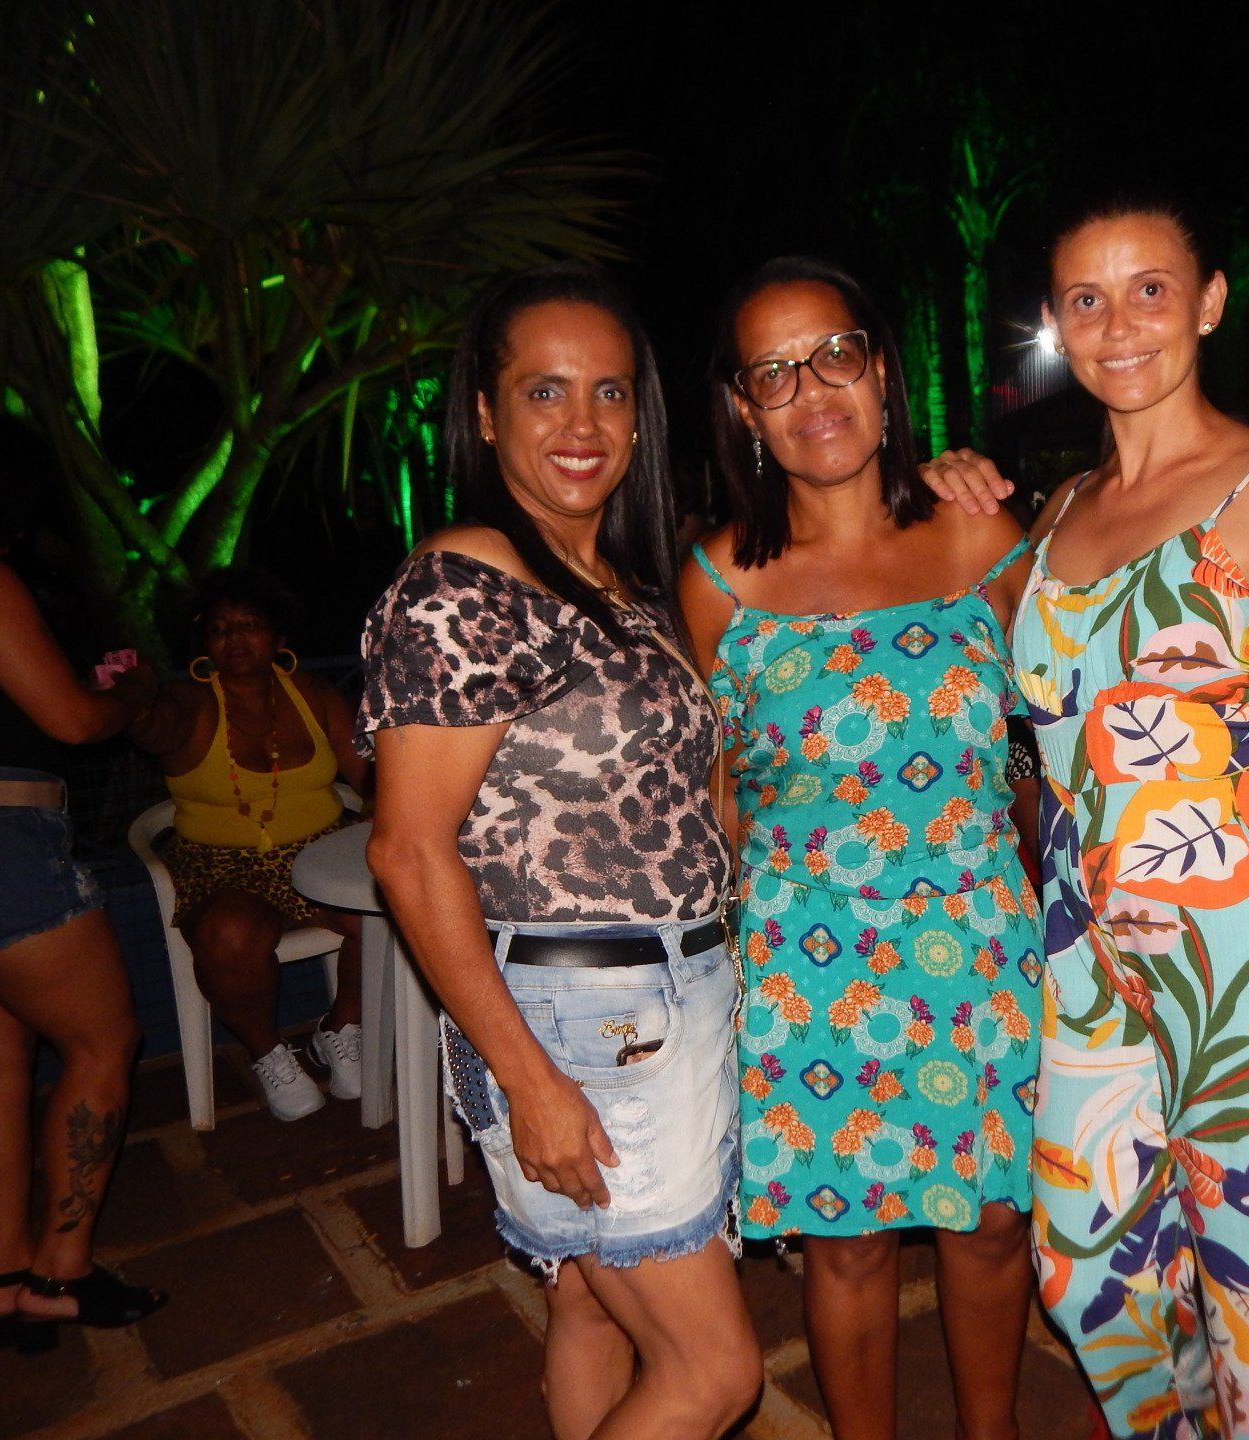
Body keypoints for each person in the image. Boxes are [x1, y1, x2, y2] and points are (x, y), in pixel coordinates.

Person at [930, 197, 1249, 1438]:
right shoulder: (1058, 515)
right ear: (1055, 323)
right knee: (1084, 1275)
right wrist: (944, 489)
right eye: (1087, 298)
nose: (1119, 323)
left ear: (1209, 302)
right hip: (1092, 966)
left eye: (1150, 289)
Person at [360, 265, 761, 1439]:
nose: (583, 424)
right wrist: (532, 1082)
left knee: (590, 1303)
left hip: (664, 988)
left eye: (609, 392)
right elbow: (408, 855)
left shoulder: (615, 580)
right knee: (713, 1374)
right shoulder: (465, 582)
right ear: (486, 415)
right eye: (545, 392)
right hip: (585, 1018)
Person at [679, 257, 1041, 1440]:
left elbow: (1056, 730)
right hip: (809, 957)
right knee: (848, 1245)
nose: (813, 390)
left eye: (834, 354)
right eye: (774, 373)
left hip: (978, 937)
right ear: (743, 407)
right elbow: (715, 798)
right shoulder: (717, 581)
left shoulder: (981, 534)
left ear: (881, 371)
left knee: (993, 1223)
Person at [0, 412, 167, 1350]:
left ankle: (6, 1279)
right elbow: (70, 721)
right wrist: (127, 696)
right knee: (102, 1044)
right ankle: (62, 1272)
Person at [126, 568, 370, 1120]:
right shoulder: (188, 702)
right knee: (229, 935)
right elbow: (152, 729)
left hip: (320, 855)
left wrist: (380, 820)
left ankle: (340, 1027)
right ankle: (267, 1052)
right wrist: (134, 701)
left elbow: (368, 777)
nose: (234, 638)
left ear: (278, 637)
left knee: (389, 908)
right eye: (220, 628)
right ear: (204, 644)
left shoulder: (314, 694)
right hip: (223, 869)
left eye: (249, 625)